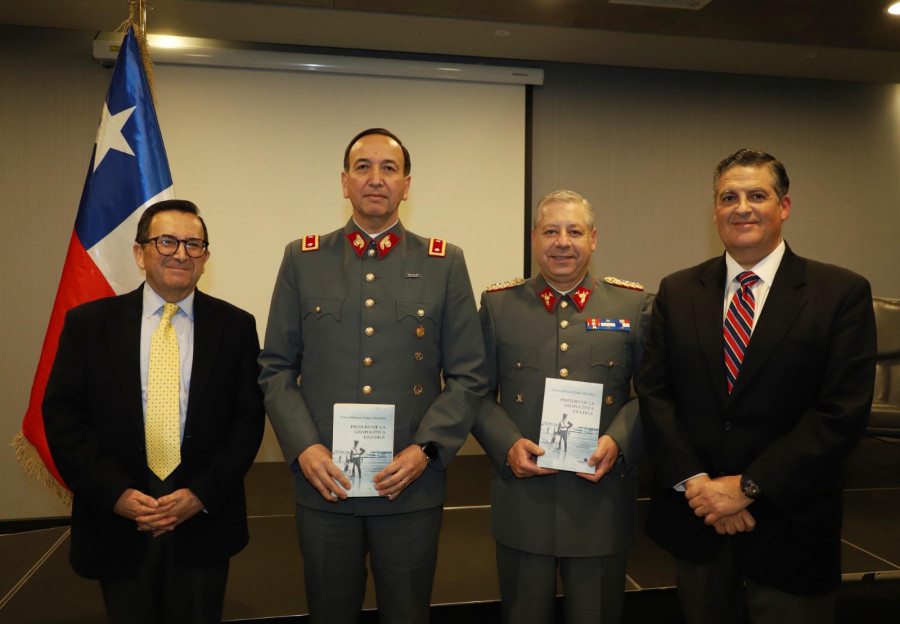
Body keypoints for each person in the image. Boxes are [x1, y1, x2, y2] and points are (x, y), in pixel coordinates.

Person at [635, 148, 877, 624]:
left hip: (792, 526)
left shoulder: (840, 293)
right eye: (728, 197)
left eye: (756, 195)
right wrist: (701, 487)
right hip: (699, 519)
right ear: (715, 210)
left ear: (784, 206)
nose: (741, 207)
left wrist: (748, 487)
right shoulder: (677, 291)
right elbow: (656, 395)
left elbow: (841, 412)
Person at [258, 128, 488, 624]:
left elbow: (470, 375)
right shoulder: (303, 258)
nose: (376, 179)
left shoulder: (445, 263)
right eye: (363, 167)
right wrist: (304, 447)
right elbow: (275, 367)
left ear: (407, 184)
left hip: (409, 486)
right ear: (344, 182)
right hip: (326, 485)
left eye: (389, 168)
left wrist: (425, 450)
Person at [42, 199, 266, 624]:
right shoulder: (89, 324)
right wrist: (117, 495)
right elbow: (64, 420)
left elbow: (247, 422)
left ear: (205, 259)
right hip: (120, 523)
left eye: (194, 244)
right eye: (167, 241)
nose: (181, 253)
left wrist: (200, 495)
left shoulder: (236, 327)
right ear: (139, 252)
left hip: (203, 523)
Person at [471, 190, 652, 624]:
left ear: (594, 239)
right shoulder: (499, 306)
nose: (562, 242)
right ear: (534, 239)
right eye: (551, 231)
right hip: (523, 504)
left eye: (574, 231)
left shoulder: (633, 305)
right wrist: (507, 444)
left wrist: (620, 439)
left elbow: (652, 393)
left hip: (600, 503)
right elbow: (473, 392)